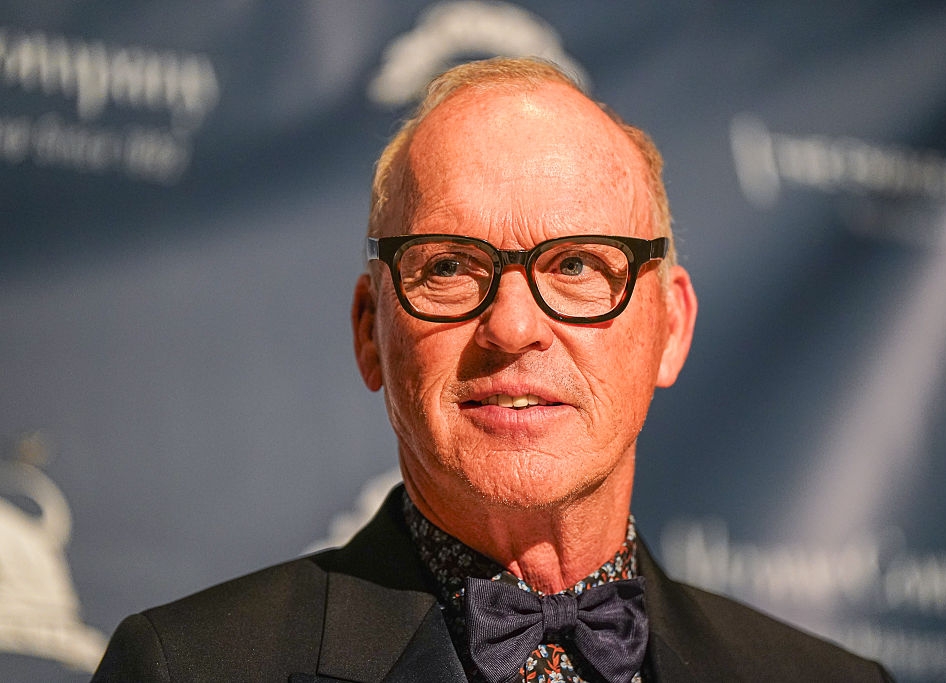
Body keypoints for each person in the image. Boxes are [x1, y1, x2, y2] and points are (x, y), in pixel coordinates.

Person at [93, 57, 894, 682]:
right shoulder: (186, 668)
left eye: (578, 263)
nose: (512, 327)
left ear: (670, 327)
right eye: (448, 266)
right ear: (372, 331)